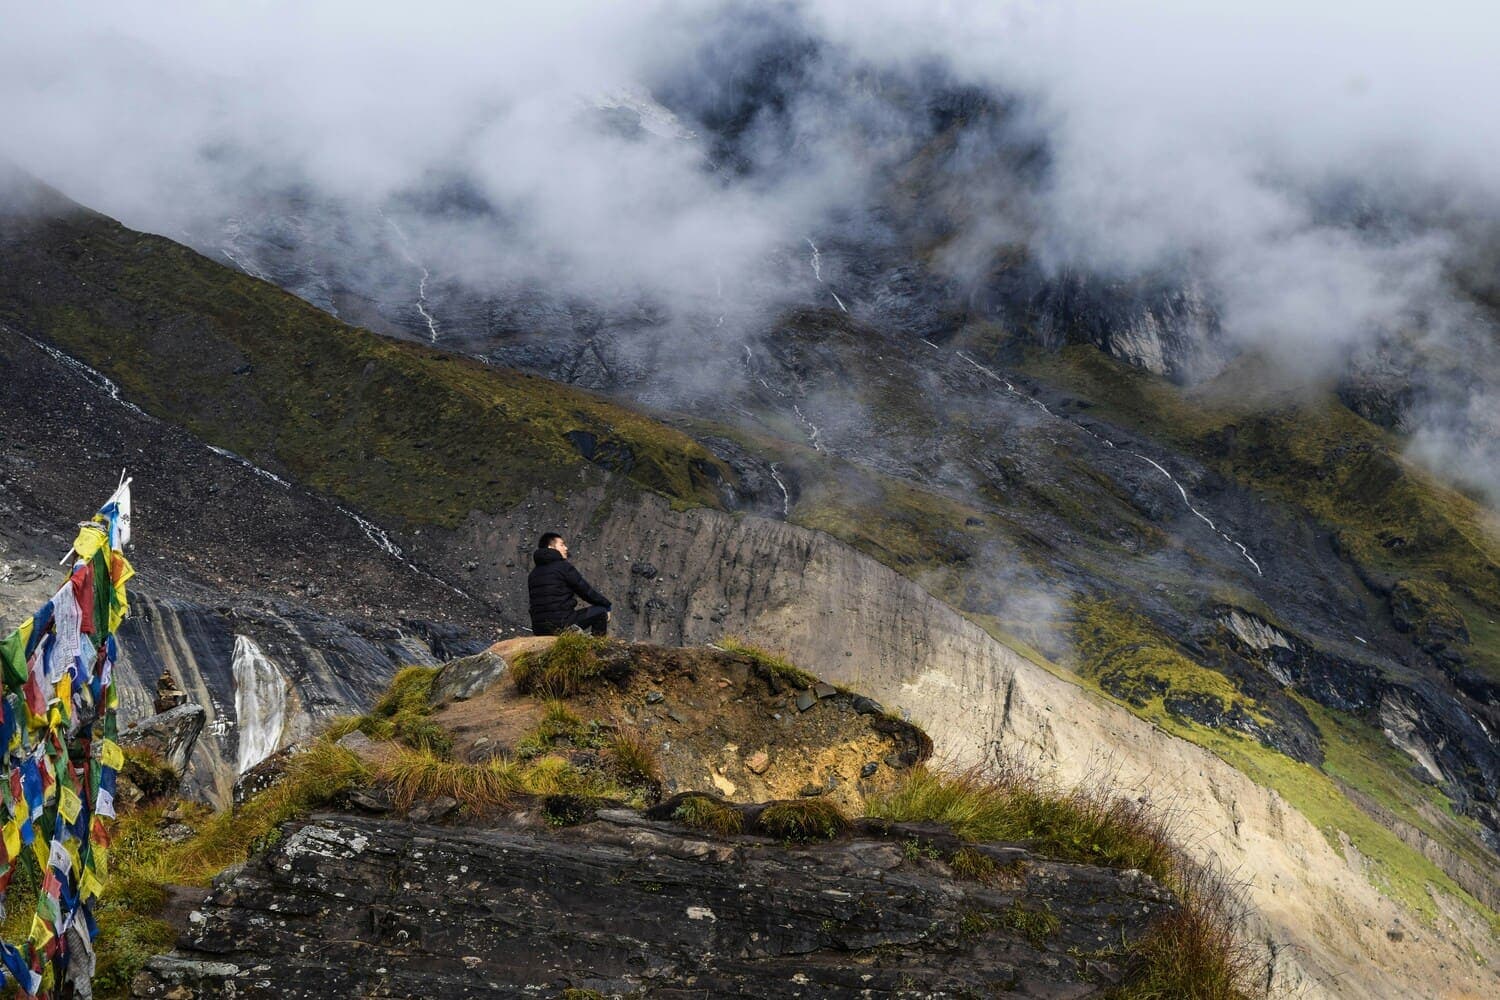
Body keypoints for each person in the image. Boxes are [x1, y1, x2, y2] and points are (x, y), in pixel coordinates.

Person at [527, 532, 612, 636]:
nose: (566, 548)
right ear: (550, 547)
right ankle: (597, 649)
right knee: (600, 612)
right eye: (562, 545)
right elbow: (585, 591)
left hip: (539, 629)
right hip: (561, 624)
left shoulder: (533, 574)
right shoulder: (563, 567)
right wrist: (606, 605)